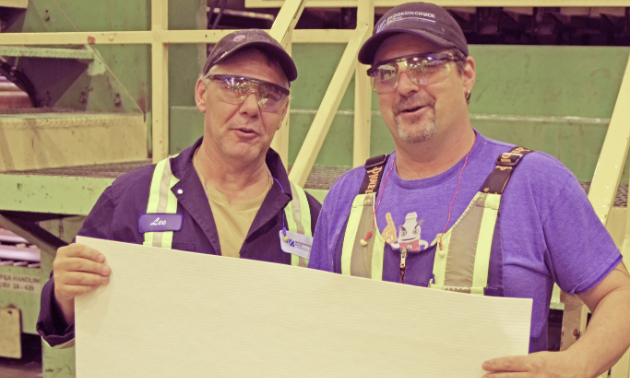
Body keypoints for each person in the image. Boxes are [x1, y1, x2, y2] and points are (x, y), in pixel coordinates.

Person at [308, 3, 630, 377]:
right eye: (387, 72)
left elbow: (619, 296)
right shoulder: (347, 196)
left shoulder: (536, 183)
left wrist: (575, 364)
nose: (406, 85)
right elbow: (315, 321)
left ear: (467, 75)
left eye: (425, 64)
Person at [37, 29, 321, 347]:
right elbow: (66, 327)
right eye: (235, 86)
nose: (252, 106)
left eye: (270, 94)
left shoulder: (311, 219)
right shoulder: (132, 199)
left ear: (283, 112)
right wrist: (63, 294)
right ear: (201, 94)